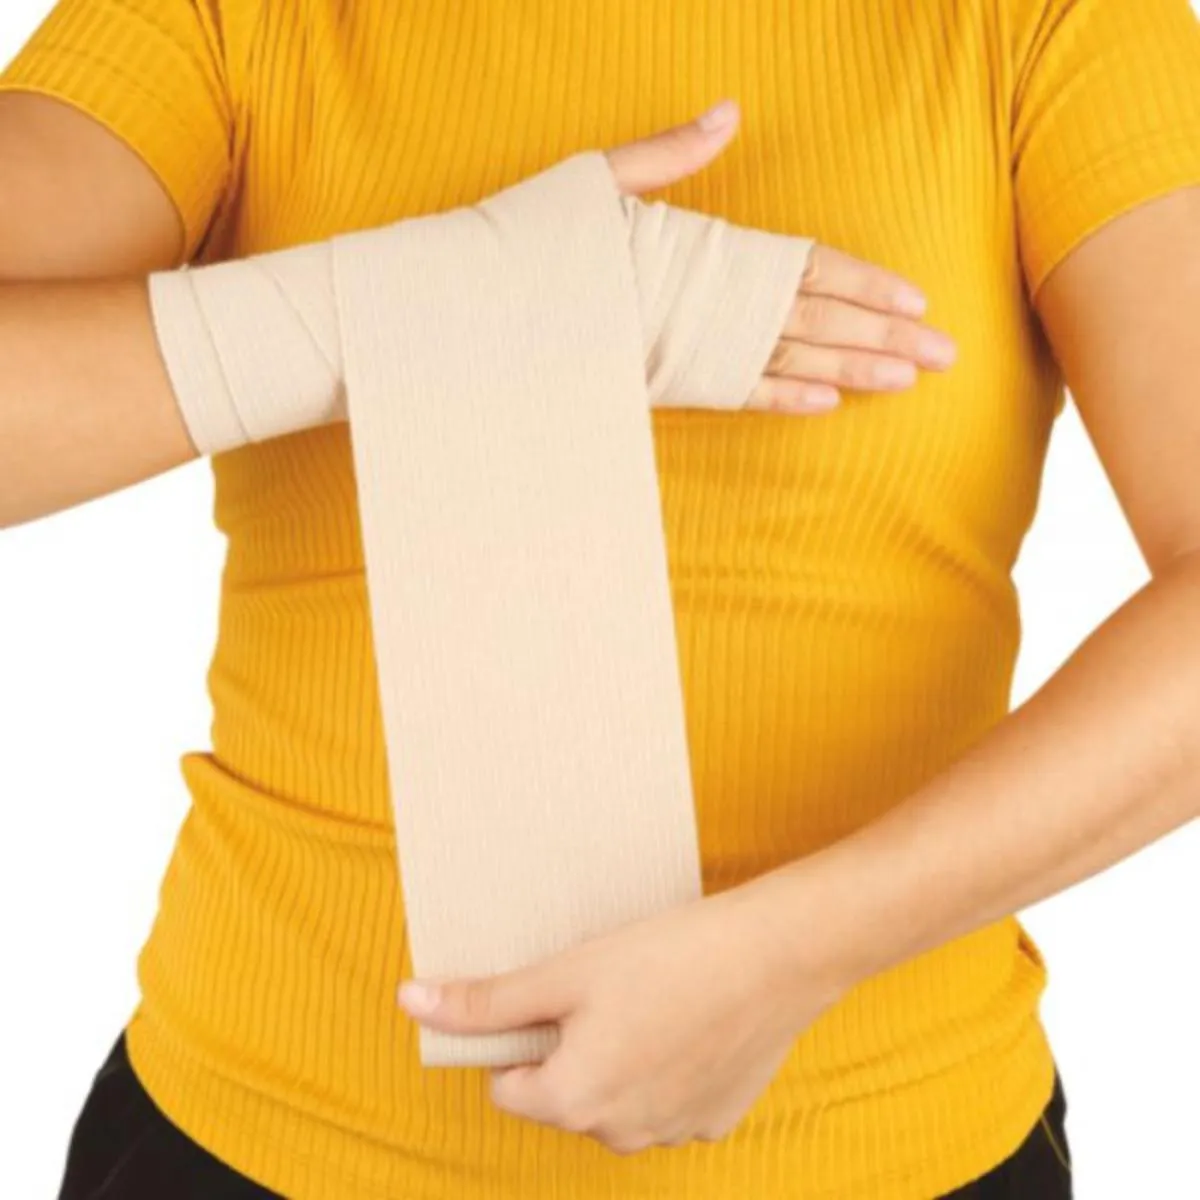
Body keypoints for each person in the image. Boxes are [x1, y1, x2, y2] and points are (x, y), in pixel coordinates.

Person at [2, 0, 1199, 1196]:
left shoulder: (1050, 24)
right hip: (247, 1127)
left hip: (893, 1137)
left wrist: (804, 951)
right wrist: (423, 305)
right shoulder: (238, 18)